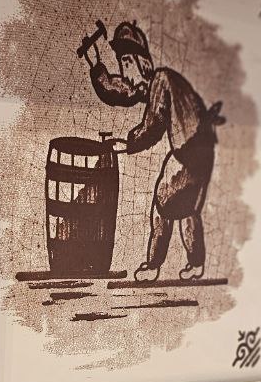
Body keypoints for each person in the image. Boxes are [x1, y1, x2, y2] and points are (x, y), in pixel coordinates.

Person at [81, 21, 224, 282]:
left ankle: (153, 265)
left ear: (143, 63)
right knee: (188, 207)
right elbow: (125, 91)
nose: (124, 70)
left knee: (162, 203)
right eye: (121, 62)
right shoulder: (156, 82)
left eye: (127, 62)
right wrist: (98, 71)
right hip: (199, 152)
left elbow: (153, 125)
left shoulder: (161, 79)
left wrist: (129, 144)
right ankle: (195, 263)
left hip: (189, 150)